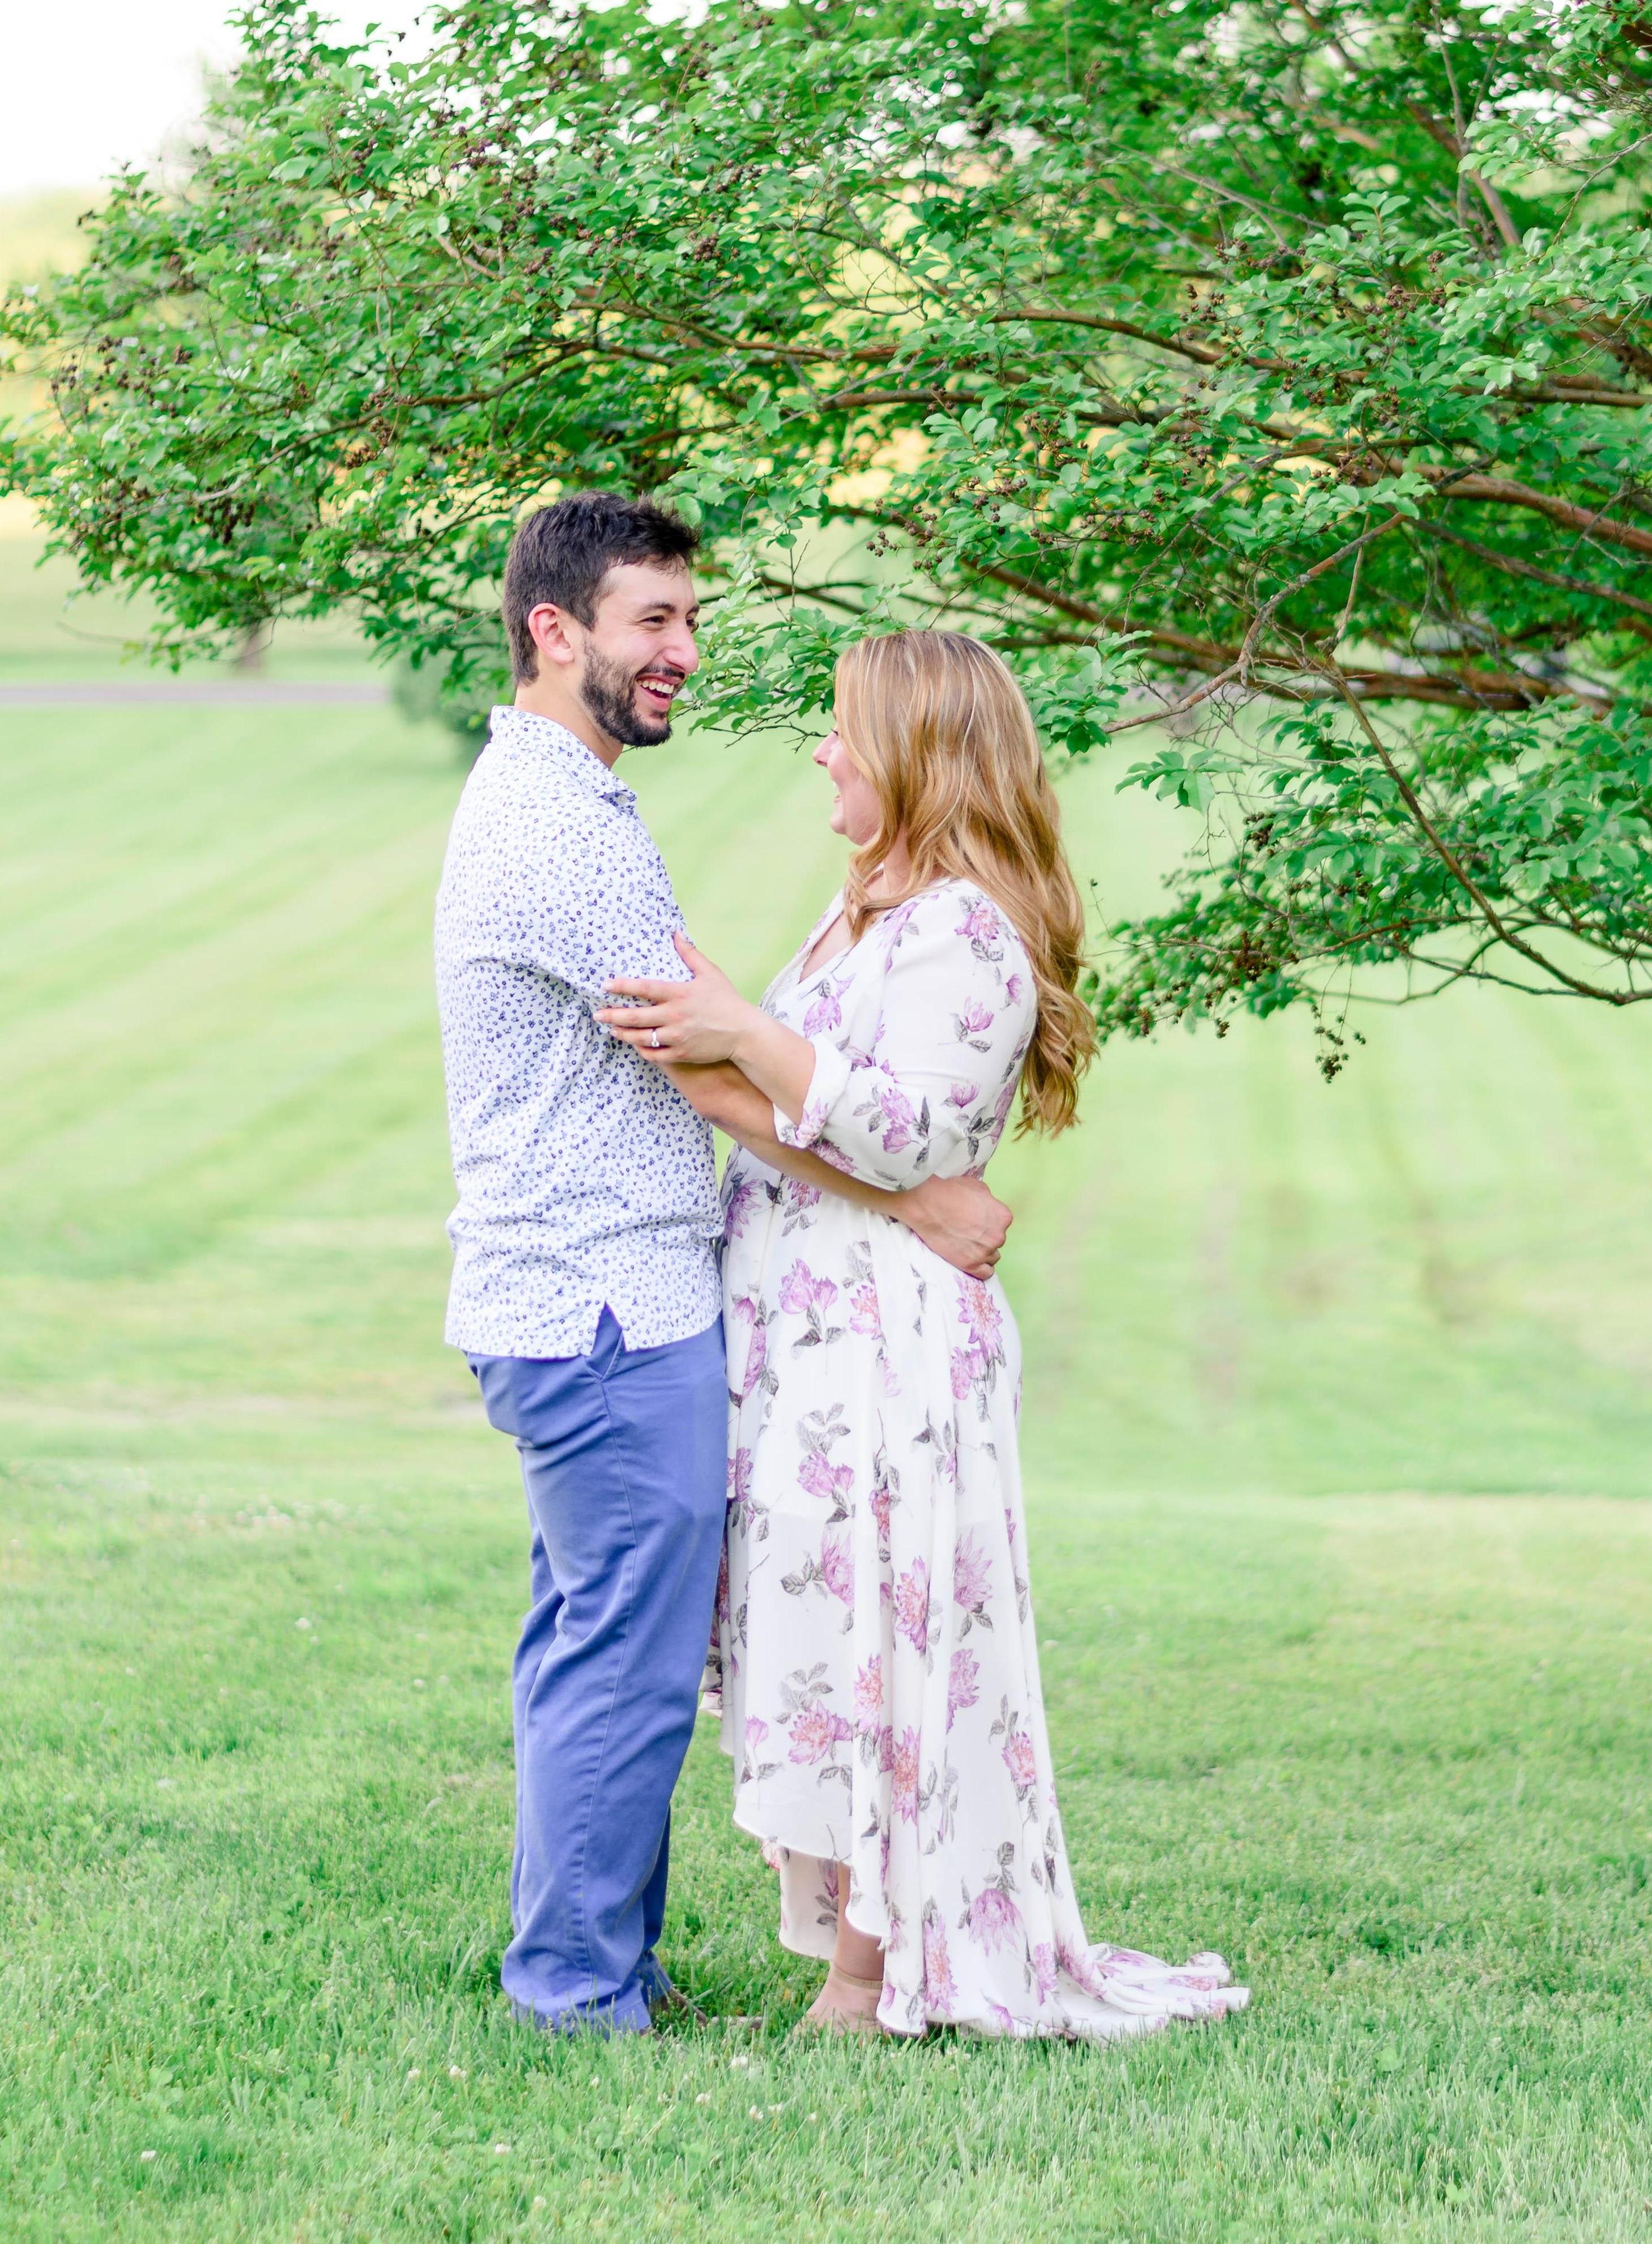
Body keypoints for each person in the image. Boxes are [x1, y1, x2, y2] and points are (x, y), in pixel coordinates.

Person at [595, 629, 1250, 2039]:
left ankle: (869, 1975)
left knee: (882, 1643)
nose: (825, 751)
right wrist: (724, 1043)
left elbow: (907, 1125)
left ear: (916, 753)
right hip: (808, 1334)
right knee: (818, 1643)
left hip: (886, 1344)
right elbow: (807, 1115)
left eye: (844, 730)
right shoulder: (869, 914)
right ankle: (853, 1943)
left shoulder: (967, 930)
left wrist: (742, 1041)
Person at [434, 497, 1011, 2033]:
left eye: (689, 620)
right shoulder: (557, 820)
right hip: (603, 1305)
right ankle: (572, 1991)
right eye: (653, 623)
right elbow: (706, 1067)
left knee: (597, 1644)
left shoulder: (566, 797)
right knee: (619, 1665)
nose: (685, 651)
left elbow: (715, 1025)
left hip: (591, 1299)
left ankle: (595, 1965)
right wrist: (926, 1205)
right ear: (557, 632)